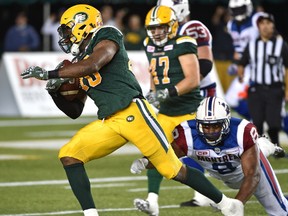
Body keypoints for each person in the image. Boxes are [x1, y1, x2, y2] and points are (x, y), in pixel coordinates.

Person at [20, 4, 242, 216]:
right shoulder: (78, 59)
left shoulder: (106, 34)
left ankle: (227, 204)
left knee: (173, 170)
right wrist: (54, 91)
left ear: (82, 24)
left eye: (68, 29)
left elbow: (94, 64)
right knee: (69, 155)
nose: (66, 35)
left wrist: (50, 74)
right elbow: (74, 110)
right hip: (110, 121)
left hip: (134, 113)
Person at [131, 96, 288, 216]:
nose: (210, 131)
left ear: (226, 123)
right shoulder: (187, 135)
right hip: (226, 176)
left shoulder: (241, 132)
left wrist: (238, 203)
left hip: (249, 174)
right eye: (205, 126)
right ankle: (263, 145)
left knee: (280, 211)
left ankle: (264, 146)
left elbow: (253, 175)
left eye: (216, 126)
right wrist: (145, 162)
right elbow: (166, 158)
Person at [133, 0, 218, 212]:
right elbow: (155, 72)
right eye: (153, 28)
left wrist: (169, 91)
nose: (157, 32)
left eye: (161, 27)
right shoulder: (148, 43)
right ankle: (152, 201)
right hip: (167, 109)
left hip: (190, 105)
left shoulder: (187, 37)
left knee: (205, 155)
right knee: (155, 150)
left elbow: (197, 74)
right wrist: (154, 93)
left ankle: (219, 198)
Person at [237, 13, 288, 158]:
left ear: (273, 25)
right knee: (257, 122)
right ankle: (257, 151)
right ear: (258, 26)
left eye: (268, 23)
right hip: (256, 89)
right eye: (262, 23)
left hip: (275, 88)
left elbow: (287, 68)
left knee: (274, 124)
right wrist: (241, 75)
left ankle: (277, 149)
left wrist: (287, 90)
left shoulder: (280, 44)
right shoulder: (252, 45)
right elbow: (242, 62)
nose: (265, 26)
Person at [225, 0, 264, 119]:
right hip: (246, 67)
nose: (238, 12)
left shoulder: (256, 19)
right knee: (231, 99)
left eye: (241, 8)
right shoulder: (231, 25)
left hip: (260, 64)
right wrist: (235, 64)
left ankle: (259, 119)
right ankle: (258, 119)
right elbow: (238, 50)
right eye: (235, 9)